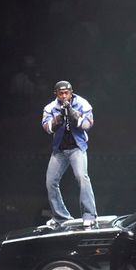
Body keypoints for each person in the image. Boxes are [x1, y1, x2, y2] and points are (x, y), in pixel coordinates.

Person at [41, 80, 97, 228]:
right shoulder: (50, 108)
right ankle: (60, 216)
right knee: (50, 182)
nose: (64, 96)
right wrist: (58, 118)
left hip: (77, 148)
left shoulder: (83, 104)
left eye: (67, 93)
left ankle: (89, 214)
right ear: (56, 94)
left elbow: (88, 125)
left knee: (82, 177)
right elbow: (47, 128)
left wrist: (73, 114)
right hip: (59, 150)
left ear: (71, 92)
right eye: (61, 93)